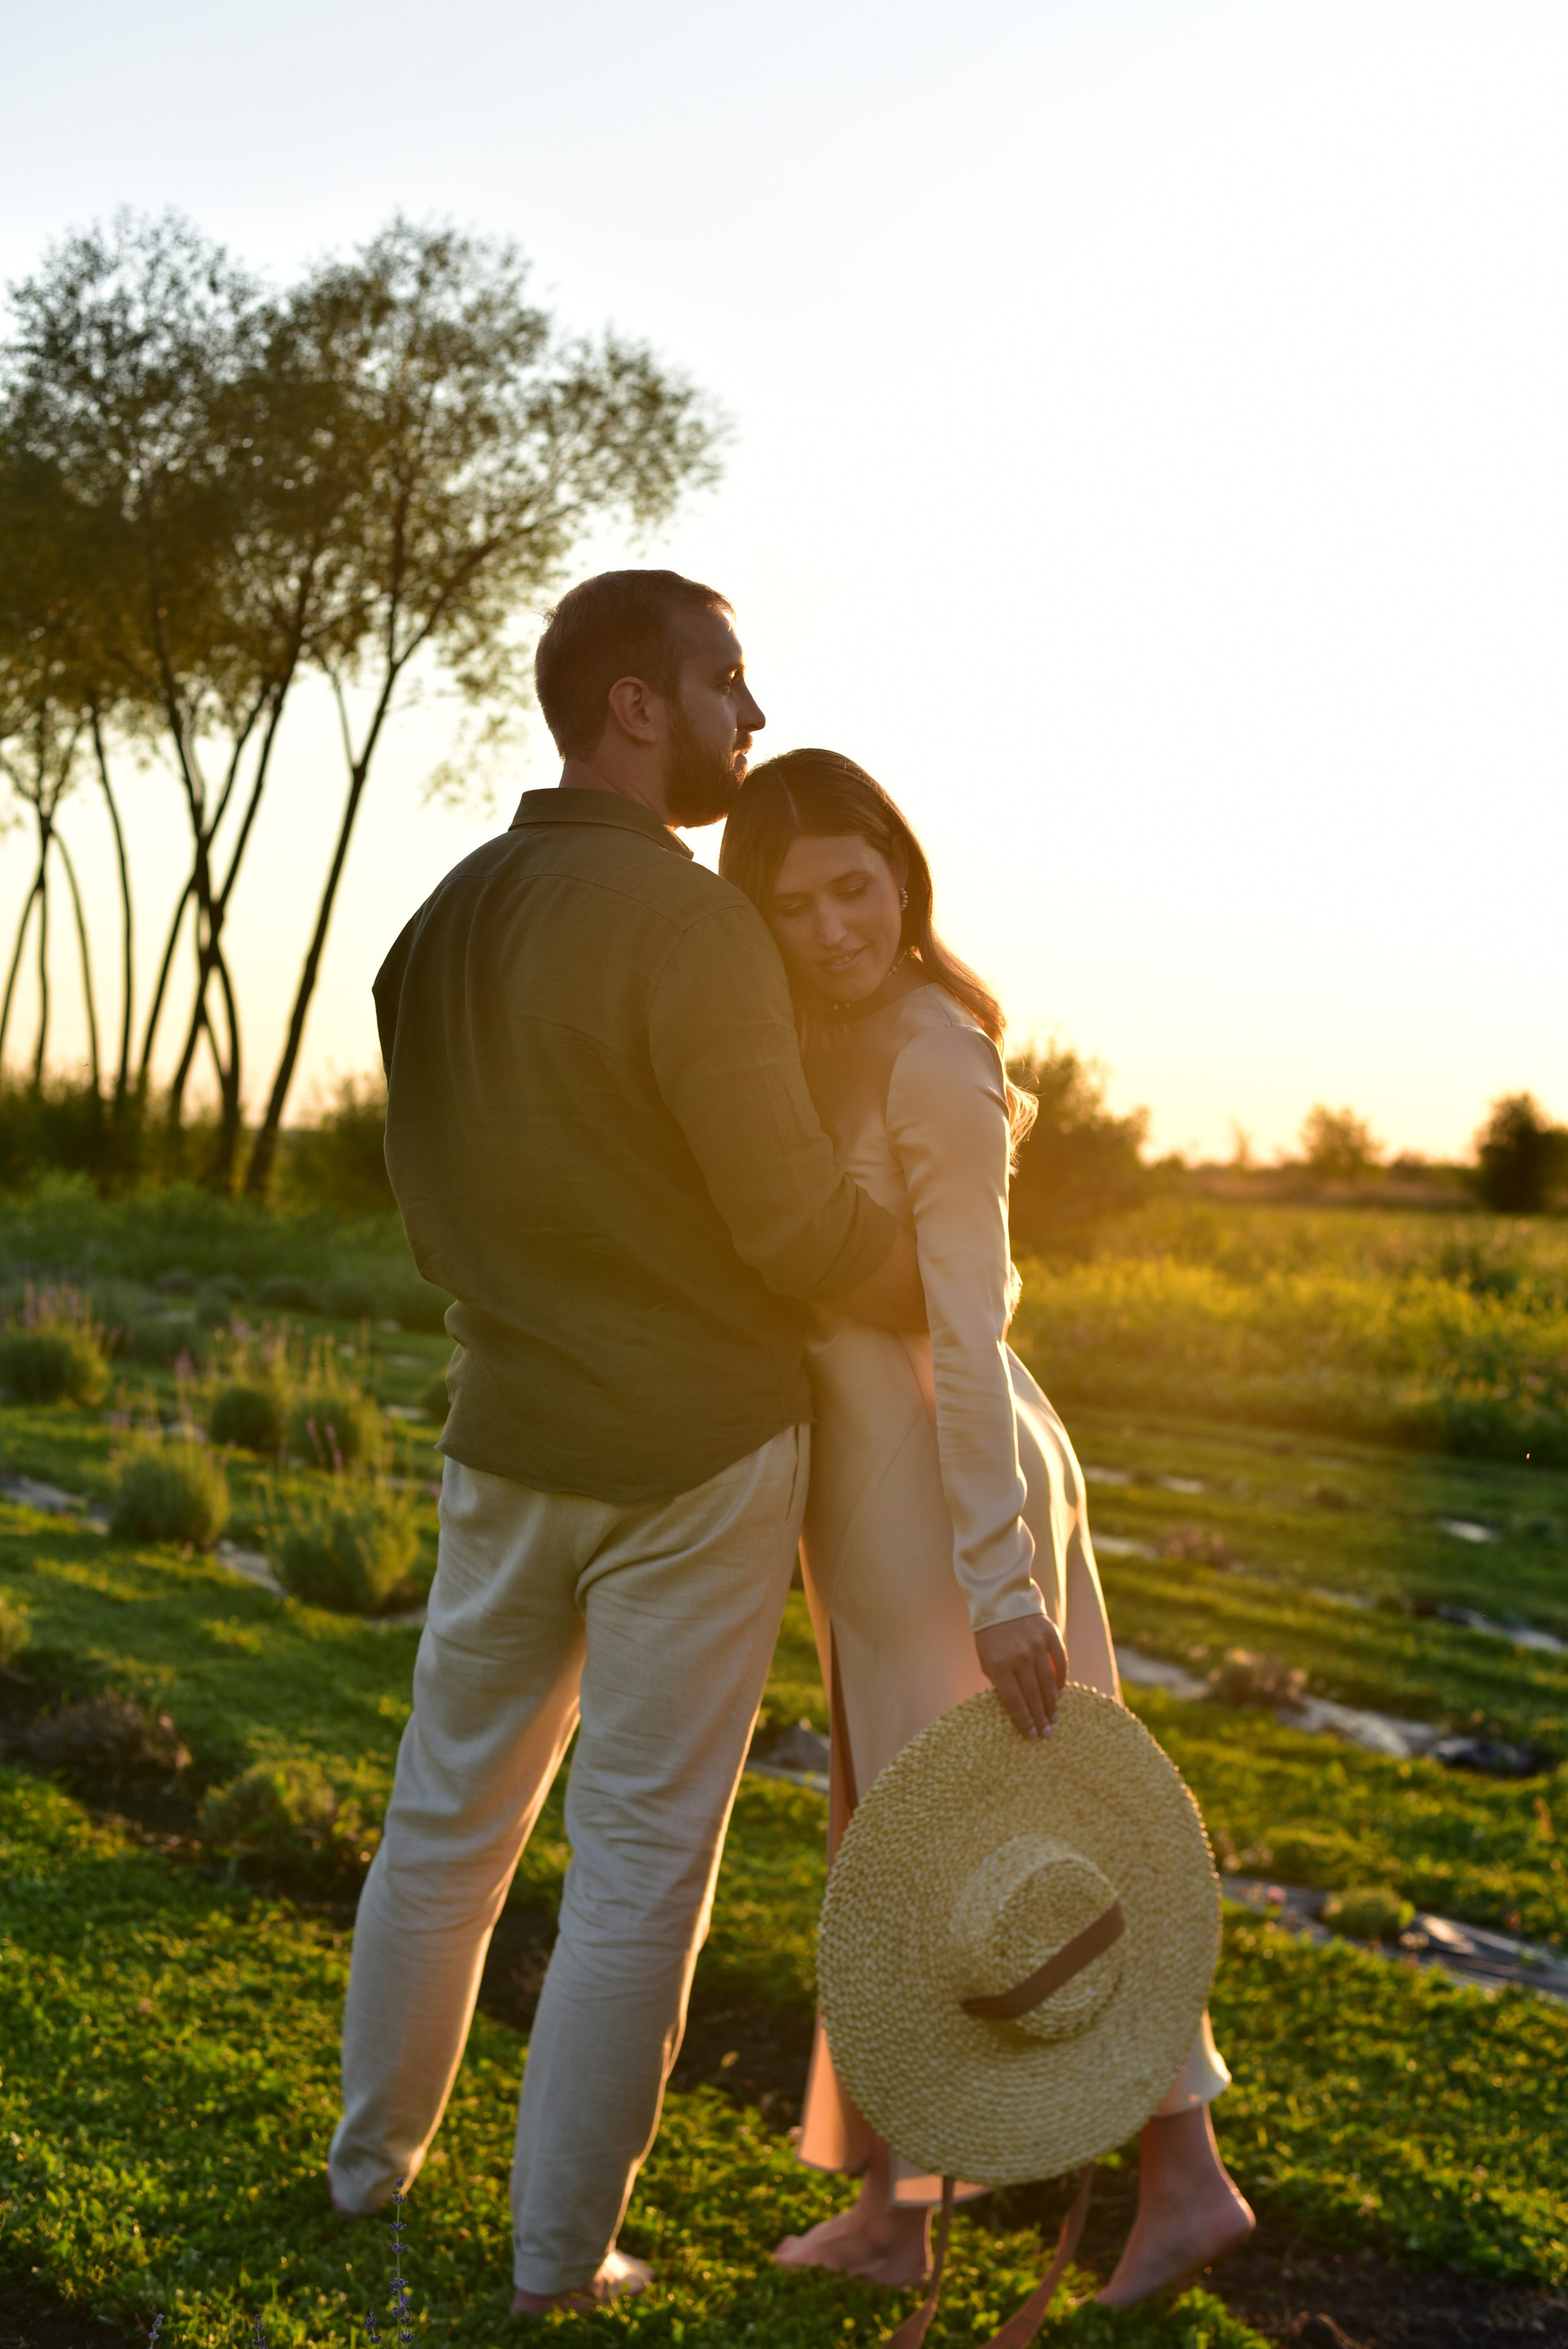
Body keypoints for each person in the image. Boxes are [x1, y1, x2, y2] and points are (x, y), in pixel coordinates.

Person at [326, 576, 926, 2316]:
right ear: (636, 706)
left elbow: (437, 1210)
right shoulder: (693, 926)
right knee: (642, 1869)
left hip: (503, 1434)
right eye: (728, 682)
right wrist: (953, 1277)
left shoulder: (430, 926)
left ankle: (368, 2180)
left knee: (441, 1826)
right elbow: (797, 1231)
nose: (753, 714)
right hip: (694, 1451)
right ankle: (557, 2263)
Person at [718, 748, 1255, 2307]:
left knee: (999, 1842)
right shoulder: (838, 1041)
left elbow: (962, 1328)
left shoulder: (934, 1053)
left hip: (940, 1491)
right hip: (879, 1484)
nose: (830, 925)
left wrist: (998, 1579)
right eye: (792, 903)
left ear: (901, 867)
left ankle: (1178, 2181)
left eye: (853, 885)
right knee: (901, 1841)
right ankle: (905, 2213)